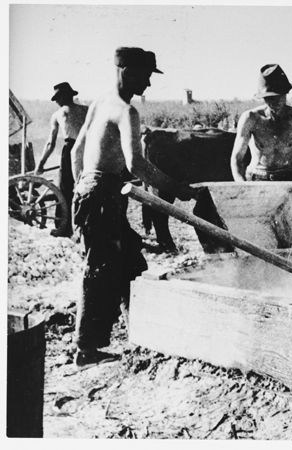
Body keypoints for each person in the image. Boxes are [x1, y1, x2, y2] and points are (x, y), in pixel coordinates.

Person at [69, 47, 197, 367]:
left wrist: (83, 185)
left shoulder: (99, 102)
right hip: (103, 198)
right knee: (98, 268)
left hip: (91, 192)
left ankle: (138, 334)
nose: (149, 85)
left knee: (130, 261)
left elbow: (76, 152)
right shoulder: (127, 112)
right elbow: (137, 164)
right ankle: (84, 348)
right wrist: (174, 188)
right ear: (127, 72)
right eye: (145, 76)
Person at [230, 64, 292, 196]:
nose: (275, 102)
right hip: (256, 179)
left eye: (279, 96)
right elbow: (237, 158)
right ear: (263, 97)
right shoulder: (251, 118)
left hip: (288, 180)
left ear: (286, 93)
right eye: (269, 98)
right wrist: (242, 185)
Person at [35, 82, 88, 237]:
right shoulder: (86, 110)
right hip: (88, 148)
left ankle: (63, 227)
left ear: (64, 96)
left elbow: (50, 143)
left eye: (57, 97)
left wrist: (41, 164)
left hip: (71, 148)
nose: (56, 101)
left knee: (65, 187)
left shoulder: (58, 114)